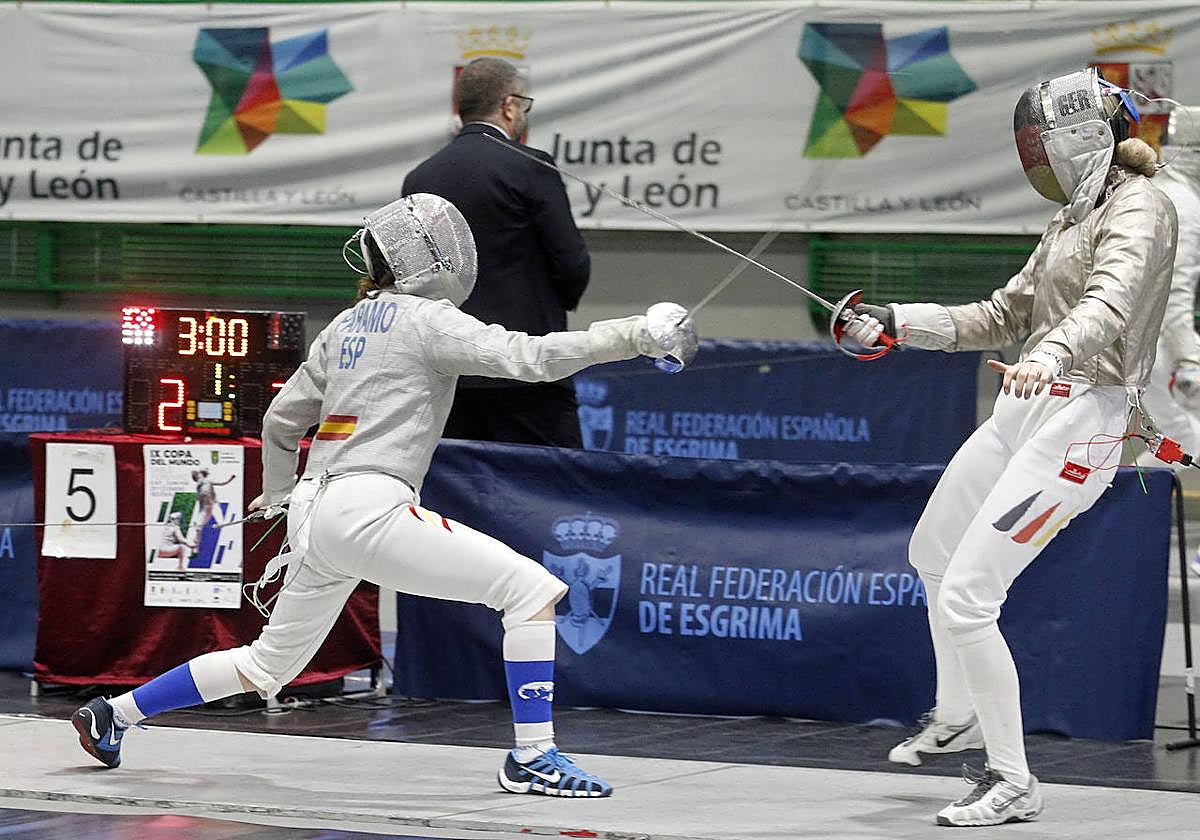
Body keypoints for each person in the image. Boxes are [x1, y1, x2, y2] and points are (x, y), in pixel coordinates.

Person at [70, 193, 697, 799]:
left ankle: (113, 714)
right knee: (531, 591)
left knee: (268, 666)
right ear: (436, 258)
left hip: (315, 515)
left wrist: (279, 494)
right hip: (366, 507)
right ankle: (532, 757)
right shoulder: (430, 319)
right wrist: (636, 333)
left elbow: (281, 421)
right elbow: (528, 357)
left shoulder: (345, 324)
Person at [848, 67, 1176, 826]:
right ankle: (957, 709)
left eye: (1040, 141)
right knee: (931, 551)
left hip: (1087, 425)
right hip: (1026, 408)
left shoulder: (1143, 206)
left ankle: (1012, 779)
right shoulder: (1068, 220)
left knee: (968, 596)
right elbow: (1002, 313)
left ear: (1086, 136)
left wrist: (1051, 355)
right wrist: (901, 322)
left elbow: (1111, 300)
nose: (1033, 156)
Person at [403, 57, 592, 448]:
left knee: (456, 488)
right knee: (546, 486)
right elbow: (571, 262)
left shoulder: (419, 177)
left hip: (446, 368)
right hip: (523, 365)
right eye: (523, 105)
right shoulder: (530, 167)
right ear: (509, 105)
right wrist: (560, 301)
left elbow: (410, 276)